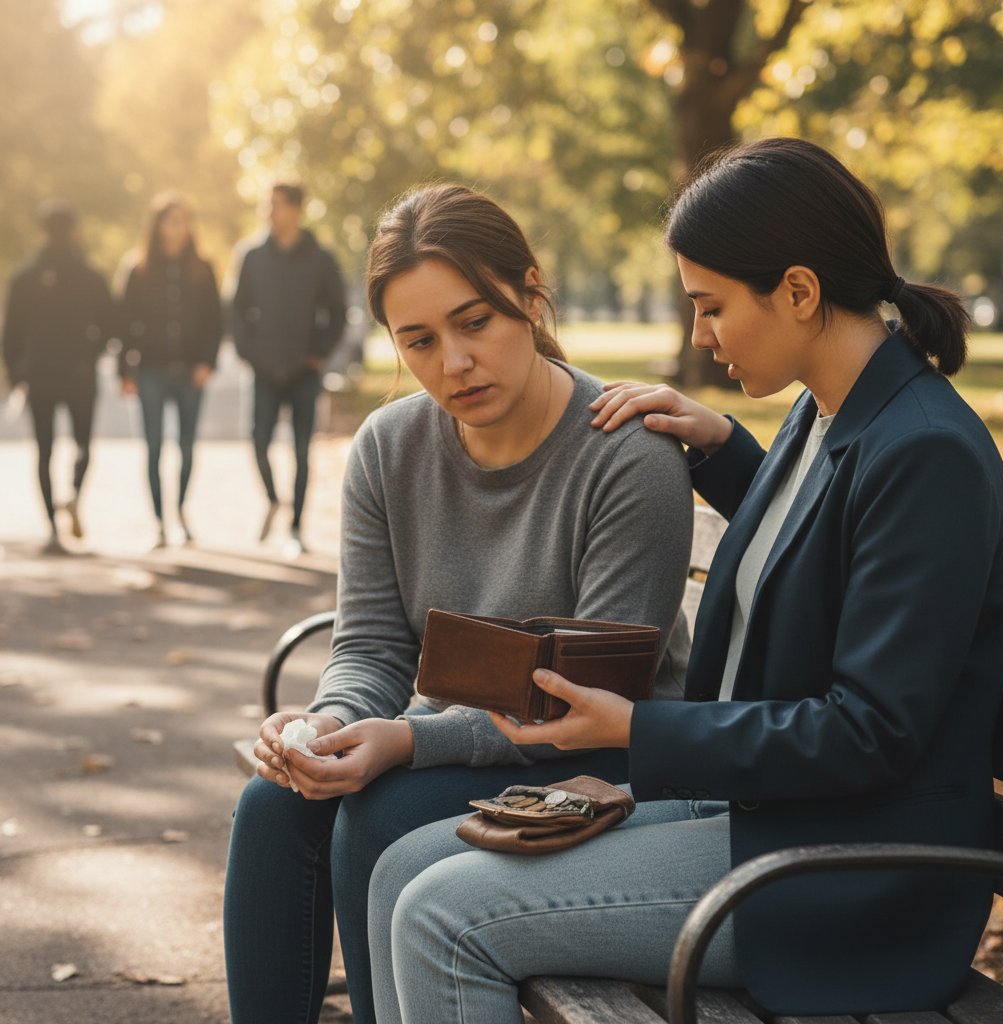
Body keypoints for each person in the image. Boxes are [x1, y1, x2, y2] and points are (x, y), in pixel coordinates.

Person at [367, 138, 1003, 1023]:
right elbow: (833, 550)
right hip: (768, 816)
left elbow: (871, 732)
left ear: (797, 290)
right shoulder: (828, 413)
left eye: (711, 306)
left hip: (846, 870)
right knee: (402, 866)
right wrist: (725, 449)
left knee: (444, 917)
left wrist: (643, 730)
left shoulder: (926, 452)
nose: (698, 335)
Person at [222, 183, 696, 1024]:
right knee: (274, 805)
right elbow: (369, 645)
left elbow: (591, 700)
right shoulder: (388, 446)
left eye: (474, 322)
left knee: (379, 814)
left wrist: (408, 741)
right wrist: (323, 729)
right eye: (420, 340)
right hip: (451, 745)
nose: (453, 363)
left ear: (529, 291)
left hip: (606, 756)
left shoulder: (627, 457)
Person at [231, 181, 349, 553]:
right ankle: (272, 499)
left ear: (296, 209)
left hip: (304, 371)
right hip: (263, 370)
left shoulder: (320, 257)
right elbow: (235, 311)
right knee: (259, 441)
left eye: (276, 205)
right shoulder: (251, 255)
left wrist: (319, 354)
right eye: (267, 204)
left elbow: (338, 312)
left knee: (301, 450)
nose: (269, 212)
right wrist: (249, 353)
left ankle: (297, 527)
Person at [1, 201, 114, 550]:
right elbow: (110, 325)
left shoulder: (25, 278)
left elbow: (11, 333)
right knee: (82, 445)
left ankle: (52, 525)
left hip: (40, 376)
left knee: (44, 450)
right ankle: (74, 494)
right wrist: (91, 355)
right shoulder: (90, 277)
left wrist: (18, 372)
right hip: (78, 374)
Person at [118, 193, 223, 546]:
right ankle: (160, 522)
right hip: (150, 370)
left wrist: (208, 362)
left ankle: (180, 509)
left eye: (183, 220)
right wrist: (125, 371)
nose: (178, 227)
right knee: (153, 447)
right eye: (171, 220)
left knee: (187, 446)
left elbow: (215, 321)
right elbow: (125, 322)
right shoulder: (138, 268)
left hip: (191, 371)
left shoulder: (203, 269)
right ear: (158, 226)